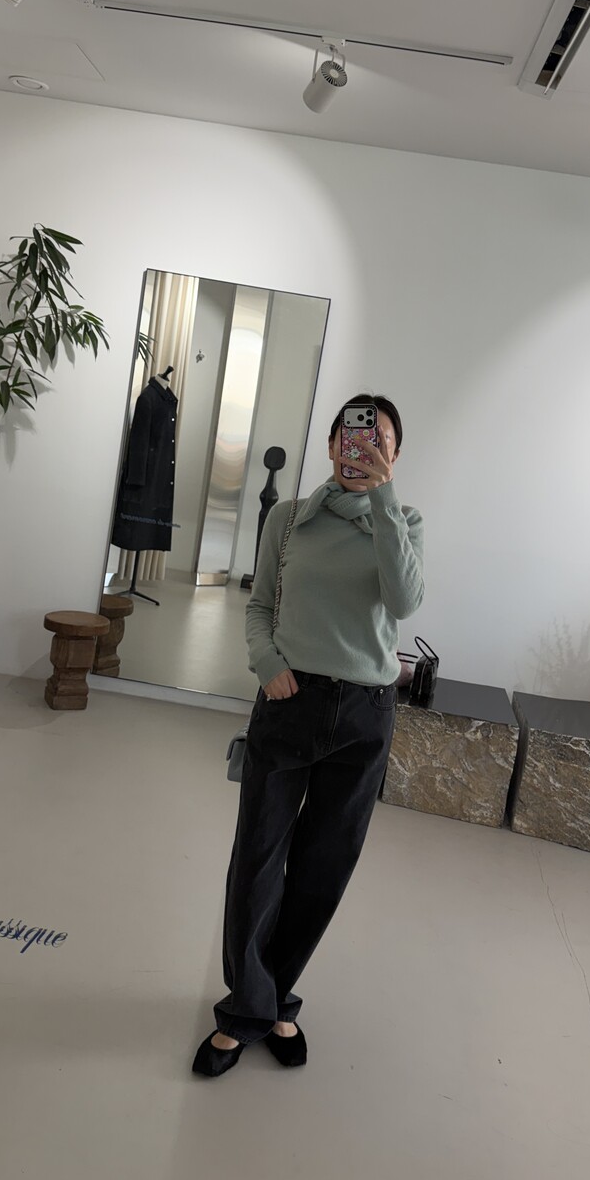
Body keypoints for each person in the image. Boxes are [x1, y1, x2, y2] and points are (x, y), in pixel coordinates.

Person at [192, 393, 425, 1076]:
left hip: (364, 716)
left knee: (324, 868)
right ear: (330, 444)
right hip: (289, 702)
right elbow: (260, 605)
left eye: (379, 442)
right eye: (352, 437)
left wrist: (384, 498)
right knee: (258, 859)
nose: (362, 449)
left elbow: (405, 599)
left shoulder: (404, 521)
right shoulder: (289, 519)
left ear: (395, 455)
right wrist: (266, 663)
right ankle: (248, 1007)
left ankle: (273, 997)